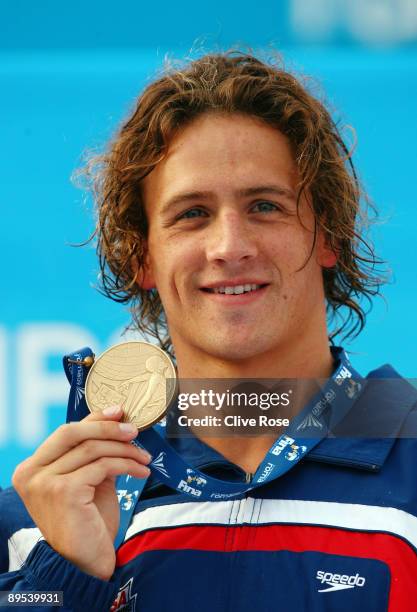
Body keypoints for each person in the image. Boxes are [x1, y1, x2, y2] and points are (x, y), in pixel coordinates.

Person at [1, 51, 417, 612]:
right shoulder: (34, 520)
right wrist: (70, 573)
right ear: (141, 259)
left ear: (329, 237)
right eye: (192, 214)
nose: (228, 247)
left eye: (265, 206)